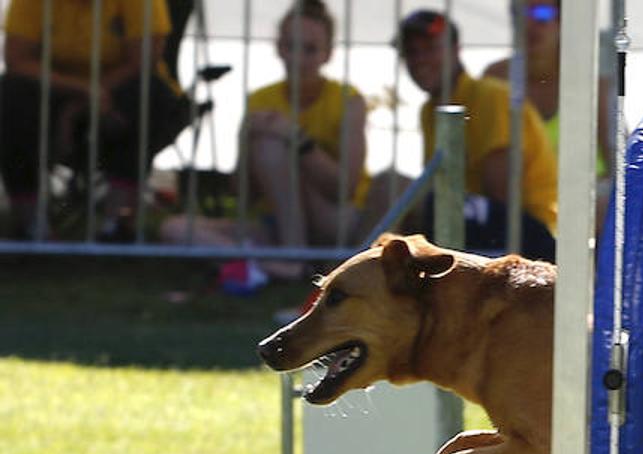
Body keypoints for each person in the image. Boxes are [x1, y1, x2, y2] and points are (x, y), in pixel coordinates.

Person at [160, 0, 368, 281]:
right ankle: (281, 265)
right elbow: (243, 194)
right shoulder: (260, 100)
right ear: (278, 46)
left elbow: (343, 189)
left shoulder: (349, 101)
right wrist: (248, 143)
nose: (297, 59)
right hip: (275, 225)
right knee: (174, 229)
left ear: (328, 54)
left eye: (309, 49)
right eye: (290, 46)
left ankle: (284, 259)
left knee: (273, 143)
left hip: (331, 222)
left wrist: (295, 139)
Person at [0, 0, 191, 240]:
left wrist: (77, 108)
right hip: (54, 93)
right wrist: (82, 90)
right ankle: (32, 227)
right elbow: (16, 60)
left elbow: (142, 61)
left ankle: (118, 224)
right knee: (11, 94)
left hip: (119, 91)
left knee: (148, 95)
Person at [380, 8, 557, 261]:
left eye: (430, 48)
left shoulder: (489, 96)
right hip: (483, 221)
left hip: (529, 234)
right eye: (411, 52)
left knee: (409, 197)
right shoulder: (429, 110)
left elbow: (501, 194)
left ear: (456, 49)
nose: (419, 59)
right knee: (398, 195)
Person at [481, 0, 613, 184]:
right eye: (520, 13)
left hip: (588, 206)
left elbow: (625, 167)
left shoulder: (592, 81)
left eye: (542, 13)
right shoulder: (495, 79)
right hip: (521, 208)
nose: (530, 24)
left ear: (561, 21)